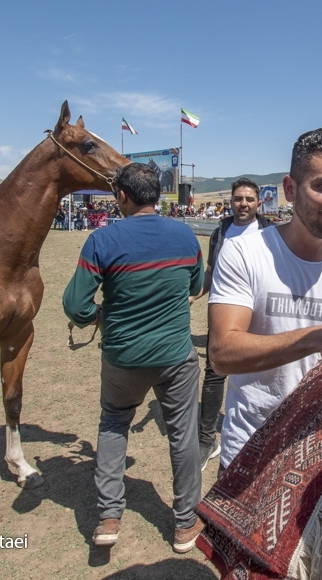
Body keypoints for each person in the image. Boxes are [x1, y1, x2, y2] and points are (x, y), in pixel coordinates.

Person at [207, 129, 322, 474]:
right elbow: (222, 354)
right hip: (249, 451)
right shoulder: (244, 253)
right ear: (290, 189)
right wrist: (318, 337)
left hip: (320, 458)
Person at [62, 163, 206, 553]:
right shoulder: (185, 235)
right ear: (157, 194)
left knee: (113, 424)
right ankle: (185, 522)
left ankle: (109, 516)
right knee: (183, 435)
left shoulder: (101, 240)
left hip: (122, 356)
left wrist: (97, 317)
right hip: (176, 355)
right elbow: (196, 286)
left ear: (121, 197)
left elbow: (75, 305)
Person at [191, 177, 272, 472]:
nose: (243, 204)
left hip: (260, 311)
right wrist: (195, 294)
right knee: (215, 372)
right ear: (231, 201)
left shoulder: (269, 232)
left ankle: (261, 433)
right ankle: (205, 439)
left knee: (259, 371)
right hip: (225, 311)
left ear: (258, 203)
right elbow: (211, 271)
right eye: (238, 198)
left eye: (249, 199)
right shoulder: (220, 232)